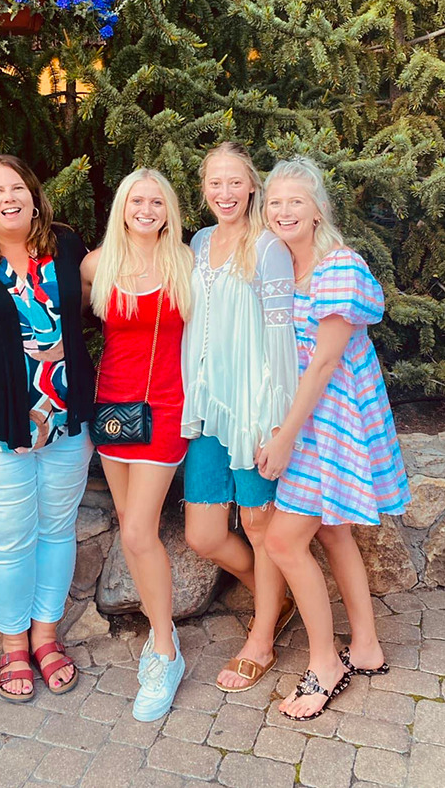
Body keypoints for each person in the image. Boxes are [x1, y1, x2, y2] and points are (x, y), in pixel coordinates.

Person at [258, 156, 411, 720]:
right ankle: (366, 647)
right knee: (335, 535)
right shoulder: (281, 269)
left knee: (282, 542)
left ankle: (325, 663)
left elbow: (323, 365)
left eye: (295, 200)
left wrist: (282, 440)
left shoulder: (339, 268)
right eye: (274, 202)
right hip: (309, 418)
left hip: (331, 421)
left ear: (318, 208)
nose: (283, 211)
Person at [0, 155, 94, 703]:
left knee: (58, 531)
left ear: (35, 196)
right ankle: (13, 645)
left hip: (67, 421)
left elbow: (94, 302)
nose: (9, 197)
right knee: (12, 542)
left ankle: (46, 637)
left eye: (18, 187)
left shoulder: (67, 247)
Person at [180, 142, 298, 693]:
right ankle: (278, 599)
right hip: (208, 408)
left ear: (252, 185)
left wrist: (276, 425)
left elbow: (280, 339)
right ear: (203, 190)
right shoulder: (200, 243)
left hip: (253, 408)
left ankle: (262, 636)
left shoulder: (268, 246)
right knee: (204, 534)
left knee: (257, 525)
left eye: (234, 182)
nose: (224, 193)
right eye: (214, 184)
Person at [81, 167, 193, 721]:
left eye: (156, 201)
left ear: (168, 210)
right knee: (131, 530)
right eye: (136, 200)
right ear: (122, 206)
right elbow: (53, 325)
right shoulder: (96, 266)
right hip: (112, 410)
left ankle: (166, 653)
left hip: (167, 408)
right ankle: (162, 631)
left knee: (137, 530)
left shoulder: (185, 263)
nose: (145, 209)